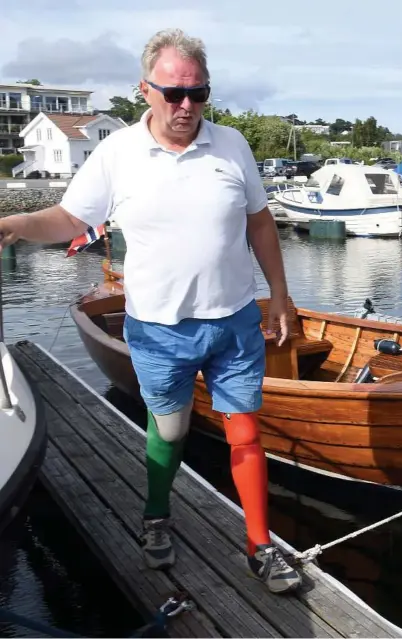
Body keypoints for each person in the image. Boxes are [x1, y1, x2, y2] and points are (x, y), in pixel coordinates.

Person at [0, 28, 302, 594]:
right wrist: (16, 223)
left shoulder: (233, 144)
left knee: (246, 434)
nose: (186, 106)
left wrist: (279, 294)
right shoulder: (117, 153)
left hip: (234, 319)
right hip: (160, 326)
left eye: (198, 93)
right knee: (172, 428)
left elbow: (260, 221)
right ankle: (157, 515)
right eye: (173, 93)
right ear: (145, 90)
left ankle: (261, 546)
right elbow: (70, 220)